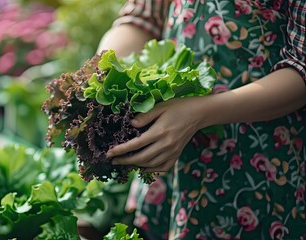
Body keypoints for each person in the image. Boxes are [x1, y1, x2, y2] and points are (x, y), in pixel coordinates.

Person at [98, 0, 306, 239]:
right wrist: (104, 73)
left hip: (260, 161)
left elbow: (301, 66)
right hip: (175, 153)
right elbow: (142, 18)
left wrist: (198, 114)